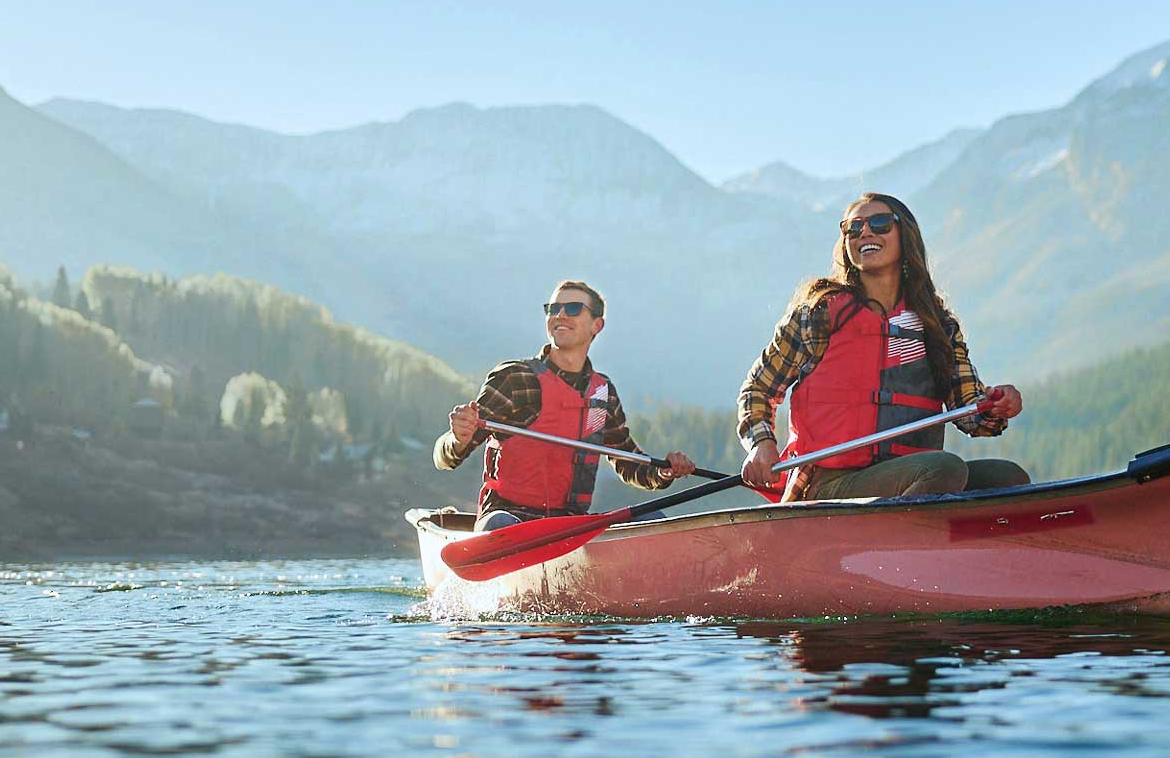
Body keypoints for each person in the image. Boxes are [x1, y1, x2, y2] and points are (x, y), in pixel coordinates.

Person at [737, 193, 1027, 502]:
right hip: (829, 485)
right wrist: (761, 444)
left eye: (880, 223)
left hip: (910, 476)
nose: (866, 232)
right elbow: (758, 389)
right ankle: (897, 542)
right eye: (853, 227)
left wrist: (996, 405)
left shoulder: (937, 325)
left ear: (906, 236)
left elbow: (971, 412)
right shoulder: (817, 314)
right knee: (944, 468)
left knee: (1008, 477)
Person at [436, 279, 697, 529]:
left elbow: (628, 463)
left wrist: (664, 472)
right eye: (553, 309)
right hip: (507, 520)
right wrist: (458, 438)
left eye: (572, 309)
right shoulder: (515, 378)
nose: (560, 315)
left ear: (597, 325)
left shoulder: (601, 395)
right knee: (499, 524)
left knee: (654, 518)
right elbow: (445, 458)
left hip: (567, 525)